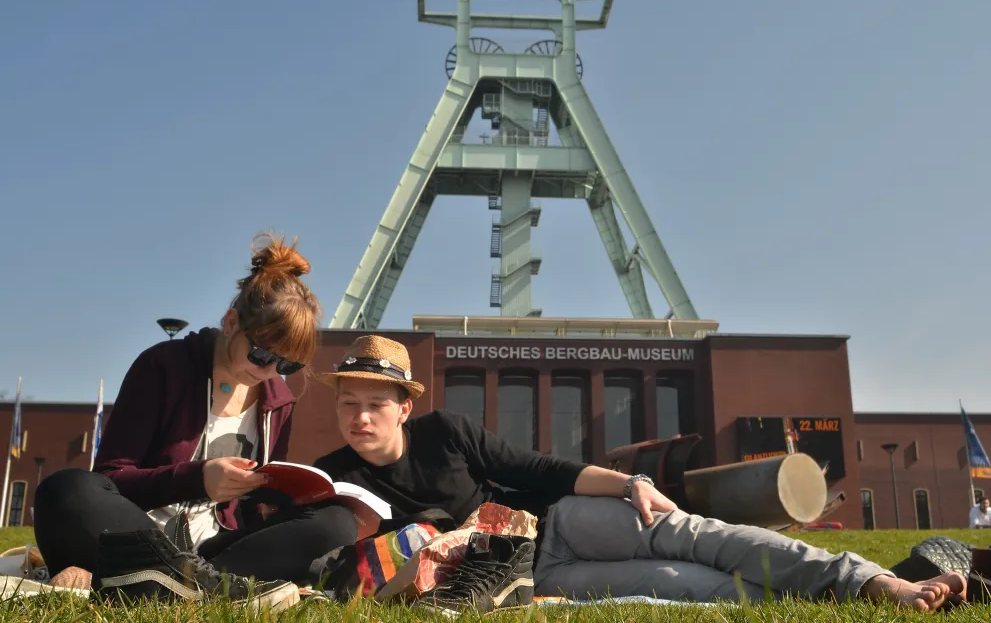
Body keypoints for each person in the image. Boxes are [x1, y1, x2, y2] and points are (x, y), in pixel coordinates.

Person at [312, 335, 966, 614]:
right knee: (688, 586)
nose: (361, 416)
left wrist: (627, 484)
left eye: (376, 402)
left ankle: (874, 583)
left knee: (701, 537)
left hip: (560, 524)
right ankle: (829, 600)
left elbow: (543, 469)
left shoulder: (444, 434)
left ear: (404, 405)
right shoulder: (331, 480)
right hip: (535, 574)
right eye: (349, 402)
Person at [33, 233, 359, 612]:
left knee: (337, 523)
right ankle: (191, 581)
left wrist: (279, 501)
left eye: (287, 365)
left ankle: (179, 582)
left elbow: (253, 508)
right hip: (138, 531)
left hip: (215, 551)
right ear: (231, 321)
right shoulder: (165, 365)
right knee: (68, 490)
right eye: (260, 355)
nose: (270, 372)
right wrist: (198, 478)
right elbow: (111, 477)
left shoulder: (278, 401)